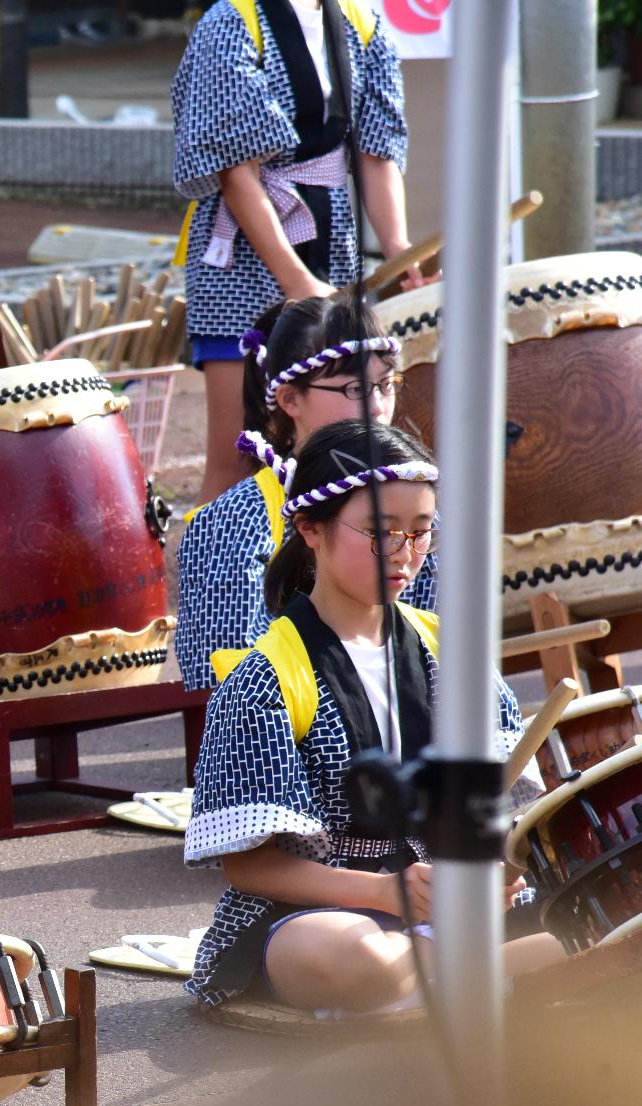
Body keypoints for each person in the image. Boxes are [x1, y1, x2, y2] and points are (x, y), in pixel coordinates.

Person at [184, 421, 562, 1014]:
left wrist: (494, 868)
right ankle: (516, 968)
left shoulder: (451, 649)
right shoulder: (263, 677)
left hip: (450, 905)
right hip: (324, 911)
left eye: (420, 532)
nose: (405, 553)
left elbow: (507, 805)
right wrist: (388, 893)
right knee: (359, 960)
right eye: (382, 533)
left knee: (607, 898)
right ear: (310, 528)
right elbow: (247, 862)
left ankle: (461, 974)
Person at [171, 0, 416, 503]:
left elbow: (375, 149)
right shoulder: (232, 21)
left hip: (332, 242)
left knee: (333, 450)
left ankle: (308, 581)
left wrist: (398, 249)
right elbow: (236, 170)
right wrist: (298, 284)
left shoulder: (360, 20)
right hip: (244, 255)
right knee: (240, 454)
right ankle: (214, 576)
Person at [174, 294, 434, 691]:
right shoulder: (232, 520)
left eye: (386, 385)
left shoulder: (421, 506)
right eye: (354, 390)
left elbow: (441, 646)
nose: (378, 407)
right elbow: (220, 677)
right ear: (290, 398)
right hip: (290, 728)